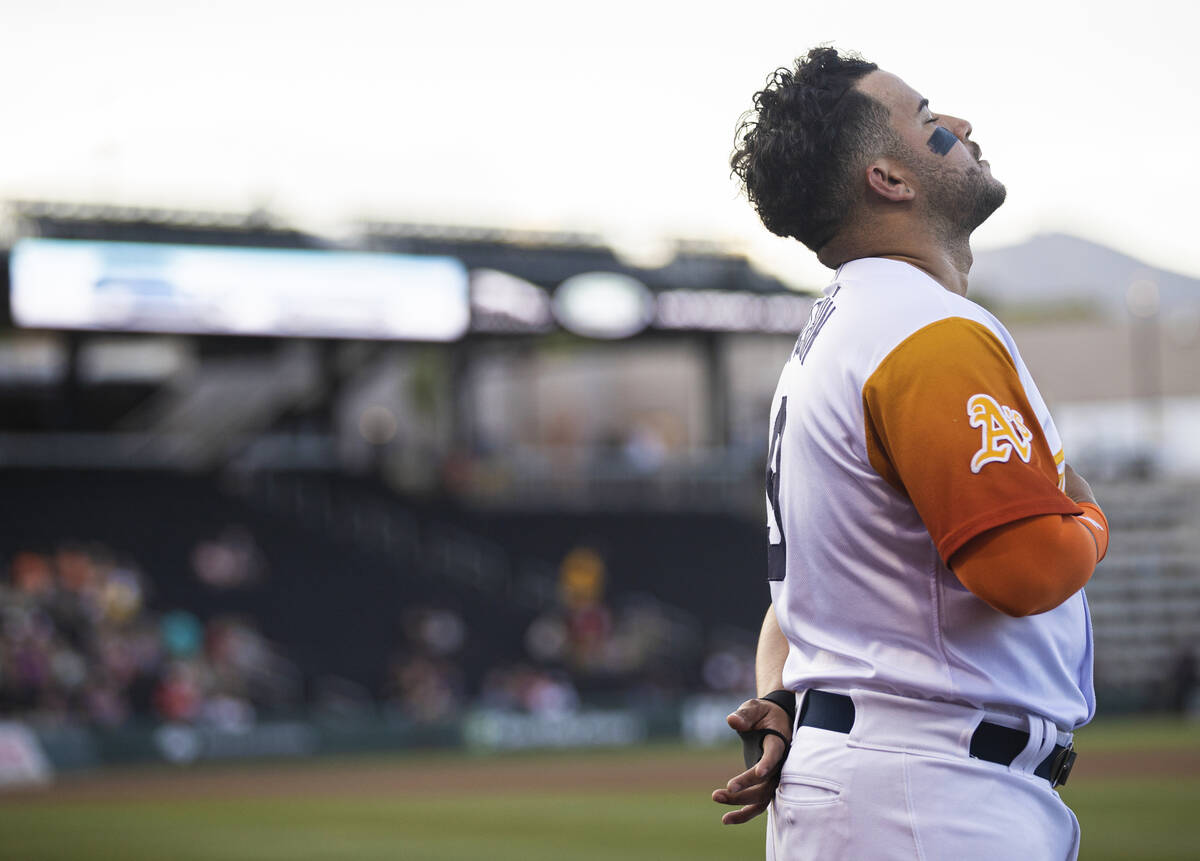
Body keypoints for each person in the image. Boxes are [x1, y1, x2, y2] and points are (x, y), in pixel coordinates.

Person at [711, 47, 1110, 860]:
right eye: (929, 120)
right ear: (888, 179)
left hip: (888, 780)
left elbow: (796, 602)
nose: (959, 127)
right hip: (932, 790)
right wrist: (1092, 515)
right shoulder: (923, 330)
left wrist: (778, 695)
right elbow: (1027, 568)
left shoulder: (839, 331)